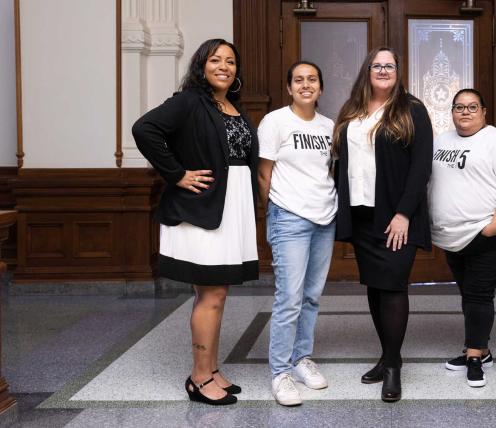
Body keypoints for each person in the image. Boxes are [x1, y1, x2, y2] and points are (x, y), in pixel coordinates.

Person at [133, 39, 259, 405]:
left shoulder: (232, 105)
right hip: (200, 208)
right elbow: (144, 129)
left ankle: (212, 368)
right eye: (216, 59)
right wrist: (176, 174)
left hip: (229, 207)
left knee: (217, 293)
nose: (224, 66)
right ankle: (200, 377)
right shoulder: (189, 101)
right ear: (201, 66)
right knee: (212, 294)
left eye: (231, 61)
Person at [333, 47, 433, 402]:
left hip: (395, 217)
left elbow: (421, 167)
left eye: (389, 65)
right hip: (362, 215)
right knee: (375, 287)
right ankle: (388, 355)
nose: (383, 70)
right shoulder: (352, 111)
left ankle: (392, 369)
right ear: (367, 71)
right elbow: (339, 162)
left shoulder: (412, 110)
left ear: (398, 72)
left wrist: (404, 213)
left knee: (392, 287)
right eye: (377, 65)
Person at [429, 89, 496, 388]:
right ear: (452, 112)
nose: (465, 112)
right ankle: (482, 349)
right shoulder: (441, 141)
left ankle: (474, 358)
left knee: (479, 294)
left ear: (484, 111)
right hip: (452, 236)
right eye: (459, 107)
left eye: (472, 107)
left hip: (484, 232)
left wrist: (494, 226)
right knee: (469, 293)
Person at [257, 61, 337, 407]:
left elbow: (328, 171)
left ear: (320, 87)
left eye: (312, 80)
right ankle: (280, 372)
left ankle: (302, 358)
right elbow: (264, 175)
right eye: (299, 80)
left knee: (312, 295)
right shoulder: (275, 121)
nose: (306, 85)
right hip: (289, 217)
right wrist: (275, 212)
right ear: (289, 88)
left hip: (325, 219)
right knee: (288, 298)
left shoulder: (328, 126)